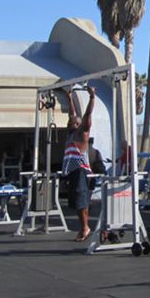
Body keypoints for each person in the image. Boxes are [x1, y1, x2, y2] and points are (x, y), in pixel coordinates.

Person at [62, 85, 96, 242]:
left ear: (79, 124)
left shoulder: (82, 132)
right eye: (69, 121)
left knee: (81, 202)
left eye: (72, 122)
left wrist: (92, 97)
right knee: (77, 202)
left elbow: (87, 114)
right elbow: (72, 113)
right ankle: (85, 227)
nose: (69, 122)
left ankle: (85, 228)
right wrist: (69, 97)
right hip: (73, 171)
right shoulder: (71, 132)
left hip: (82, 171)